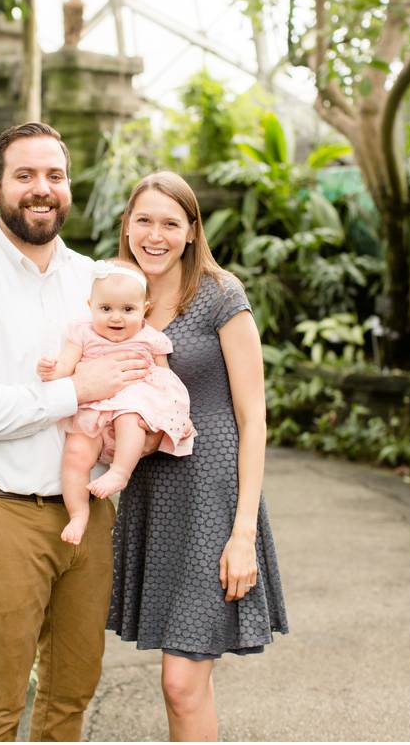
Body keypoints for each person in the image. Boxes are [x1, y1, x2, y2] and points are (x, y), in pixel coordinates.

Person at [0, 122, 149, 741]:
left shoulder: (93, 282)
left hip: (87, 518)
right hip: (2, 515)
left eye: (54, 176)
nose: (41, 189)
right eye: (25, 176)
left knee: (70, 699)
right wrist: (77, 390)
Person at [106, 171, 287, 741]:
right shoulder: (116, 294)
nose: (154, 235)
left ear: (190, 232)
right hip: (151, 499)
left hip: (211, 504)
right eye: (143, 220)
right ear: (127, 225)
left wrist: (241, 535)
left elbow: (253, 416)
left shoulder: (220, 296)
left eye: (169, 223)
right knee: (191, 685)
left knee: (181, 683)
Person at [38, 258, 195, 545]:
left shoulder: (151, 339)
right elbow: (66, 367)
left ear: (144, 309)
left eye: (128, 310)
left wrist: (179, 418)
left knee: (129, 416)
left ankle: (120, 473)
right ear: (90, 306)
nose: (116, 318)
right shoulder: (82, 333)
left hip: (133, 404)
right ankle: (78, 514)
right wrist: (52, 370)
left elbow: (168, 380)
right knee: (75, 454)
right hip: (93, 410)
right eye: (106, 308)